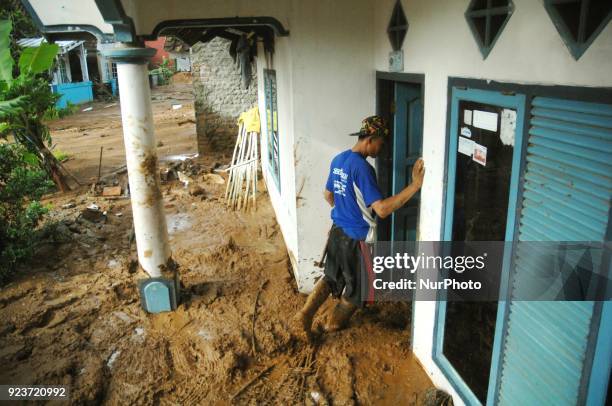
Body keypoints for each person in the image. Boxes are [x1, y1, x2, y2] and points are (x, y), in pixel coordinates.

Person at [293, 115, 425, 338]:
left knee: (331, 277)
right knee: (359, 290)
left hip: (337, 232)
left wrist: (344, 212)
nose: (381, 150)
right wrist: (414, 186)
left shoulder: (339, 160)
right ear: (371, 139)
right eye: (381, 144)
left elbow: (327, 195)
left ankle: (305, 314)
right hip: (356, 241)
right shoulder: (363, 168)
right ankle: (332, 325)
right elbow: (382, 209)